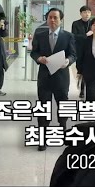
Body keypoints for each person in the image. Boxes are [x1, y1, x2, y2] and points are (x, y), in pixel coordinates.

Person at [30, 8, 76, 151]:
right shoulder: (40, 34)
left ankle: (63, 129)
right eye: (50, 17)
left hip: (61, 77)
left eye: (55, 17)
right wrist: (39, 58)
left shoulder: (68, 36)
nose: (52, 20)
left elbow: (73, 54)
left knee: (63, 104)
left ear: (61, 19)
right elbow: (34, 52)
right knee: (43, 106)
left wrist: (67, 61)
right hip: (44, 76)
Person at [71, 5, 93, 98]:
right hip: (79, 50)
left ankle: (86, 89)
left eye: (88, 12)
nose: (87, 14)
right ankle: (81, 86)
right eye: (85, 12)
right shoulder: (76, 24)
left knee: (88, 70)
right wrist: (86, 35)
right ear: (81, 14)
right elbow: (74, 36)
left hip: (91, 50)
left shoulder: (93, 23)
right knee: (80, 70)